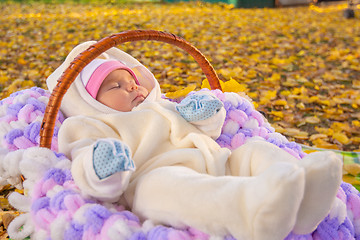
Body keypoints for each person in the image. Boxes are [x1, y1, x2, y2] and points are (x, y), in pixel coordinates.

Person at [46, 41, 342, 240]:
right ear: (89, 100)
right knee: (173, 188)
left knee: (254, 151)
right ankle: (252, 210)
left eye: (133, 81)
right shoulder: (91, 124)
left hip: (218, 162)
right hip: (153, 178)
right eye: (116, 86)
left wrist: (203, 113)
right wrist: (104, 164)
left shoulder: (159, 105)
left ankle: (303, 191)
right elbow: (84, 161)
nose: (132, 88)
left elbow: (209, 129)